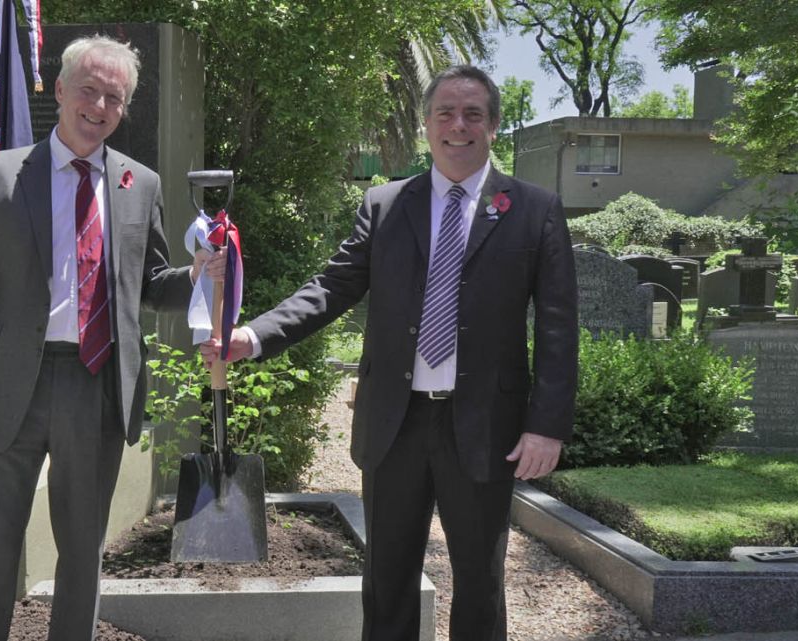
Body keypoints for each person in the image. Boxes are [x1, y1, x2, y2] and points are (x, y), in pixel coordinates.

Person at [201, 66, 578, 641]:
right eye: (445, 113)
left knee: (480, 582)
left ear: (494, 126)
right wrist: (252, 336)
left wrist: (546, 426)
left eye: (473, 114)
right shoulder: (385, 205)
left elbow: (557, 326)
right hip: (394, 425)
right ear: (426, 125)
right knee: (387, 579)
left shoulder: (533, 209)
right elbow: (329, 288)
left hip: (483, 427)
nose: (458, 125)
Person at [0, 35, 220, 641]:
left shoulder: (143, 184)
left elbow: (149, 284)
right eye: (89, 90)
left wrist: (197, 272)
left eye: (115, 97)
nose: (100, 105)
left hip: (96, 386)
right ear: (59, 91)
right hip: (13, 386)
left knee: (83, 550)